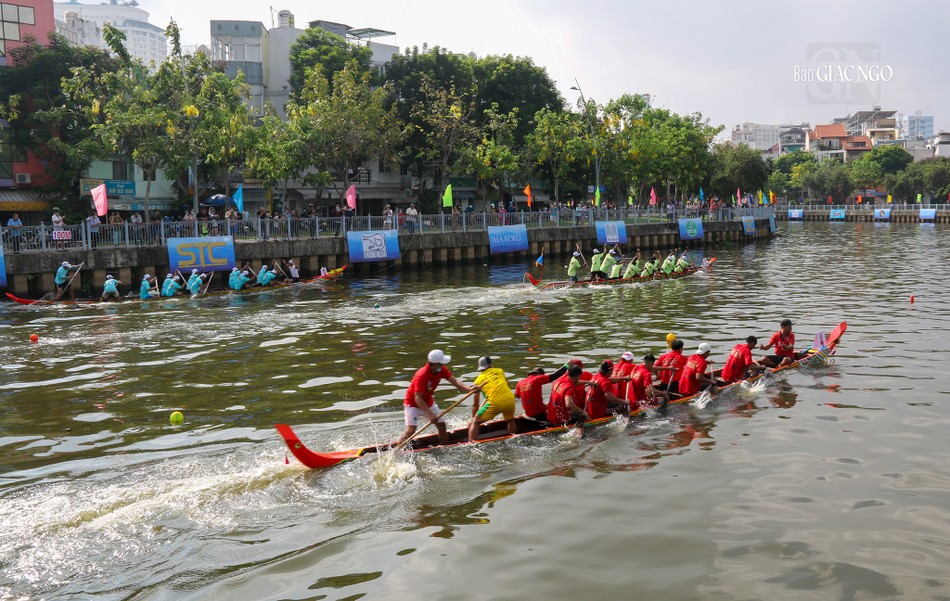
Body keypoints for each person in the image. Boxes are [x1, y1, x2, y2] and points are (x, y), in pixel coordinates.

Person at [395, 349, 473, 447]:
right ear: (434, 364)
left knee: (441, 425)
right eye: (440, 364)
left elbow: (455, 382)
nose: (443, 366)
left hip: (428, 402)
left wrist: (470, 389)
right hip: (412, 404)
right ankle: (396, 451)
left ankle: (446, 446)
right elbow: (417, 398)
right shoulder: (422, 375)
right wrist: (430, 414)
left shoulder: (442, 370)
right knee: (411, 430)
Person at [468, 356, 517, 442]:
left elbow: (476, 404)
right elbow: (507, 384)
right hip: (510, 399)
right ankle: (514, 438)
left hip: (495, 402)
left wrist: (473, 419)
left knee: (476, 422)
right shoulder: (500, 371)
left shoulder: (478, 381)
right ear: (491, 364)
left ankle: (471, 443)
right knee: (510, 420)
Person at [546, 364, 589, 430]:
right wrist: (583, 412)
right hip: (559, 420)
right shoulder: (569, 388)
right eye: (579, 376)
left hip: (550, 414)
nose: (580, 378)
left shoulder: (561, 379)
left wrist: (588, 382)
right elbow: (569, 404)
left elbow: (574, 382)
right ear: (576, 376)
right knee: (584, 416)